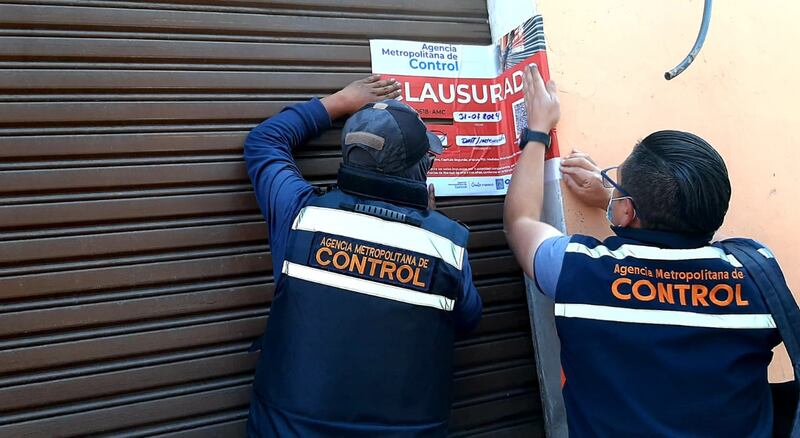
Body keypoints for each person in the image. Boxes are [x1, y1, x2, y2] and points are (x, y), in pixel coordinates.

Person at [505, 64, 787, 436]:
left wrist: (538, 130)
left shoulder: (578, 270)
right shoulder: (758, 272)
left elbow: (520, 222)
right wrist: (615, 198)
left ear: (627, 211)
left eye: (617, 187)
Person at [243, 75, 483, 437]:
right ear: (420, 170)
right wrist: (427, 223)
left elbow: (264, 142)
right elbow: (467, 319)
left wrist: (339, 102)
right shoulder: (443, 246)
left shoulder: (301, 216)